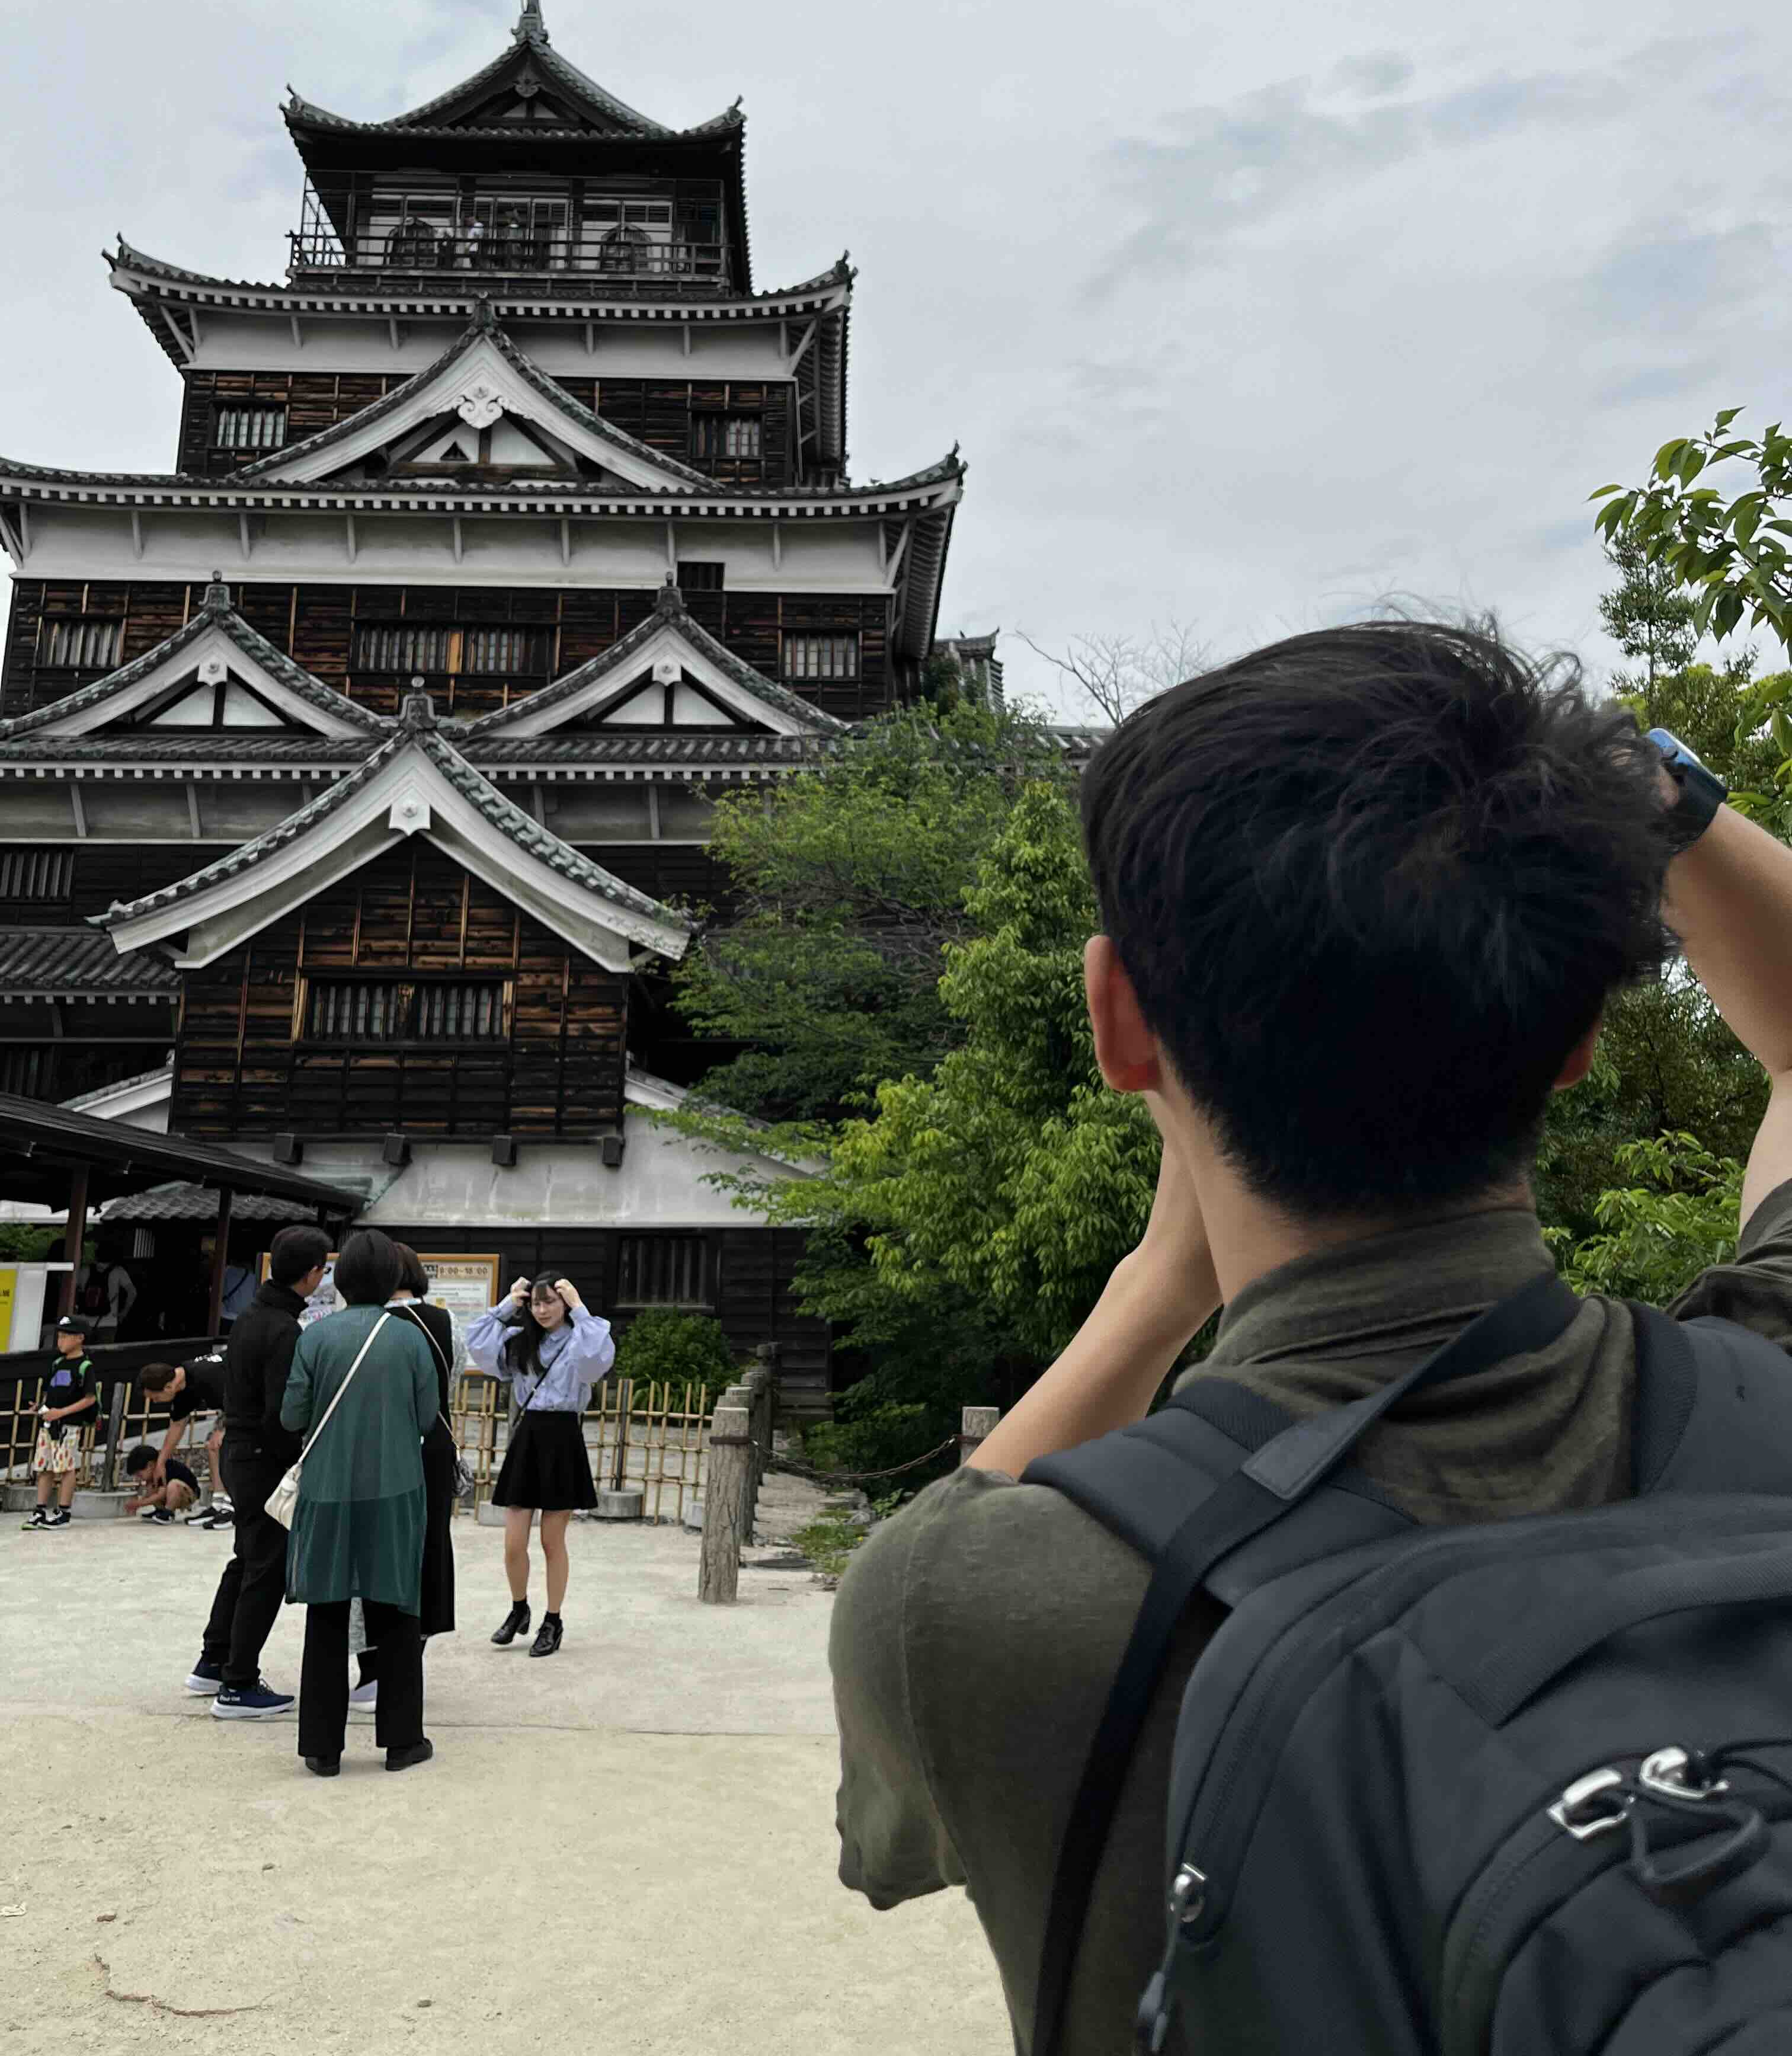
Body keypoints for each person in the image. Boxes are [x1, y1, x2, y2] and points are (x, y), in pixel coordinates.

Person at [828, 620, 1792, 2054]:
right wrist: (1655, 787)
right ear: (1580, 1038)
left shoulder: (970, 1605)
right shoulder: (1767, 1389)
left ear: (1119, 1025)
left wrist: (1160, 1284)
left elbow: (889, 1847)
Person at [280, 1227, 439, 1776]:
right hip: (396, 1488)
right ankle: (401, 1741)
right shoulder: (410, 1338)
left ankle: (322, 1749)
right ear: (393, 1278)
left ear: (340, 1278)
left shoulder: (315, 1336)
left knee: (327, 1611)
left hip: (326, 1490)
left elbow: (292, 1417)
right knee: (395, 1610)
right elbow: (425, 1419)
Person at [201, 1224, 328, 1718]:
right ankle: (238, 1683)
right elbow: (284, 1416)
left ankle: (214, 1660)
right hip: (262, 1459)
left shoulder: (254, 1313)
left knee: (246, 1559)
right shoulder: (283, 1329)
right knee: (267, 1569)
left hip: (238, 1450)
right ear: (314, 1274)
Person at [465, 1274, 612, 1656]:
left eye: (550, 1302)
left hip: (563, 1437)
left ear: (564, 1303)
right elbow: (477, 1344)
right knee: (514, 1543)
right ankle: (519, 1609)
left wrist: (579, 1308)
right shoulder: (520, 1341)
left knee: (551, 1541)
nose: (542, 1310)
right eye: (536, 1303)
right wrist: (507, 1305)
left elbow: (597, 1360)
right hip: (528, 1436)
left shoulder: (581, 1337)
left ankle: (553, 1619)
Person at [346, 1242, 460, 1716]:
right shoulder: (444, 1323)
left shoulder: (362, 1324)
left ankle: (372, 1672)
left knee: (369, 1551)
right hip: (432, 1448)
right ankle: (408, 1661)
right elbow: (445, 1386)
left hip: (374, 1450)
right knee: (428, 1546)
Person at [21, 1316, 98, 1530]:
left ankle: (63, 1512)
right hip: (49, 1424)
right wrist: (41, 1407)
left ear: (80, 1339)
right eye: (60, 1336)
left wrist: (61, 1413)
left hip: (69, 1426)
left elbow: (90, 1398)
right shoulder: (57, 1363)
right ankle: (39, 1510)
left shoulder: (85, 1366)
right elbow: (51, 1392)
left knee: (66, 1468)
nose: (60, 1341)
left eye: (66, 1336)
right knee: (44, 1466)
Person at [137, 1357, 230, 1522]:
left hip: (257, 1394)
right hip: (235, 1406)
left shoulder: (207, 1376)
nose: (155, 1403)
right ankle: (218, 1504)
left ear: (168, 1387)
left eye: (155, 1398)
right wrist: (161, 1462)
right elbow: (177, 1425)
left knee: (225, 1443)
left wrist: (223, 1429)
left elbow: (239, 1399)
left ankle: (231, 1506)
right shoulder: (182, 1388)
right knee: (213, 1446)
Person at [121, 1441, 199, 1520]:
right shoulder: (152, 1475)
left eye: (139, 1475)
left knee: (174, 1485)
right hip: (172, 1493)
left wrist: (139, 1504)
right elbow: (151, 1495)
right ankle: (160, 1510)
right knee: (151, 1486)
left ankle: (168, 1512)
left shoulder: (162, 1470)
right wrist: (139, 1502)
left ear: (150, 1465)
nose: (138, 1478)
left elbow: (160, 1495)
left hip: (189, 1494)